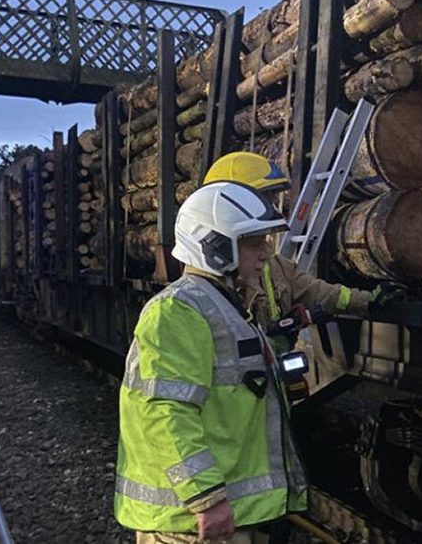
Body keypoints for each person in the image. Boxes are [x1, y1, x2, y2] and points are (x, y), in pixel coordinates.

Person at [114, 182, 307, 544]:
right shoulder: (178, 311)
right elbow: (166, 412)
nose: (266, 253)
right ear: (214, 245)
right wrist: (206, 498)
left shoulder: (224, 305)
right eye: (253, 242)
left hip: (222, 517)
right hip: (189, 526)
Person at [202, 152, 404, 351]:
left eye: (271, 197)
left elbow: (317, 291)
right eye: (264, 197)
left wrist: (367, 300)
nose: (271, 205)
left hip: (271, 373)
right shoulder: (205, 287)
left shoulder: (276, 266)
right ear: (227, 204)